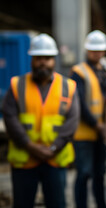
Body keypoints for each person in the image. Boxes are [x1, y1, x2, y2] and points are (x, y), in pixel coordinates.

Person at [2, 33, 79, 208]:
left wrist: (52, 148)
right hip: (25, 160)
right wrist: (30, 146)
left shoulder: (68, 86)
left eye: (47, 58)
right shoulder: (17, 85)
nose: (43, 62)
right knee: (22, 204)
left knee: (57, 203)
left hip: (55, 159)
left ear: (54, 60)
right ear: (32, 59)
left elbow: (71, 122)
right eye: (39, 58)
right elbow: (10, 117)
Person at [71, 30, 106, 208]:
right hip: (84, 134)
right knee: (84, 174)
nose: (97, 53)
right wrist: (97, 124)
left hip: (100, 134)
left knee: (100, 174)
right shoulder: (78, 72)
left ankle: (101, 204)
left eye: (100, 50)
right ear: (87, 50)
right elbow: (79, 102)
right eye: (93, 50)